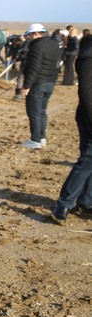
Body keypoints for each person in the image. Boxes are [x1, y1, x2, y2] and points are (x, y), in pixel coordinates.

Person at [52, 37, 92, 223]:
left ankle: (86, 201)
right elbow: (86, 92)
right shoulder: (87, 58)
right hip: (89, 116)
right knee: (87, 159)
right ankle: (64, 203)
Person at [20, 23, 60, 149]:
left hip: (38, 84)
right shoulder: (54, 44)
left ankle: (35, 140)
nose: (29, 37)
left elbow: (33, 68)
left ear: (36, 34)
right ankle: (42, 137)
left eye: (30, 35)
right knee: (42, 111)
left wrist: (26, 86)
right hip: (50, 82)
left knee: (34, 112)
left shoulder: (37, 47)